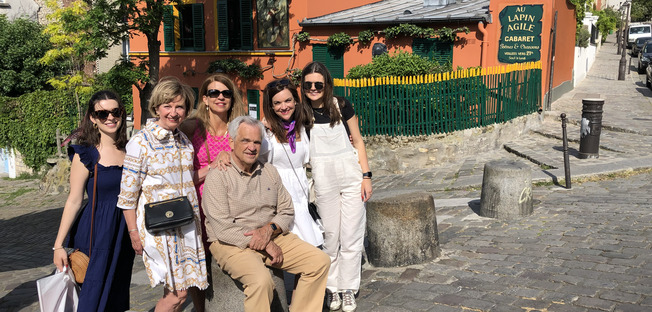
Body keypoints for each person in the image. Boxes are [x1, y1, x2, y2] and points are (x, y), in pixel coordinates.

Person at [202, 116, 330, 312]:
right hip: (231, 243)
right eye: (245, 140)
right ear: (231, 142)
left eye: (256, 142)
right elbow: (222, 227)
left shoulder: (269, 171)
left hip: (271, 235)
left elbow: (287, 210)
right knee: (261, 282)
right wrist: (264, 242)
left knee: (319, 262)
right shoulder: (219, 176)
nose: (251, 147)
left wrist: (269, 230)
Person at [117, 77, 209, 312]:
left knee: (179, 290)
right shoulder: (141, 142)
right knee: (178, 294)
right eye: (167, 105)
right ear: (156, 107)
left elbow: (186, 180)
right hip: (159, 227)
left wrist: (214, 167)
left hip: (186, 224)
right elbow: (127, 195)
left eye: (179, 106)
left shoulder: (184, 141)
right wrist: (133, 233)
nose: (174, 112)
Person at [52, 90, 135, 311]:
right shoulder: (86, 154)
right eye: (102, 113)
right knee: (92, 294)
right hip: (96, 230)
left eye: (115, 112)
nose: (110, 117)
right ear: (92, 118)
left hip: (123, 232)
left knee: (116, 294)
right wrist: (58, 245)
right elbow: (74, 200)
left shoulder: (131, 151)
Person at [300, 61, 373, 312]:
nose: (313, 88)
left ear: (327, 84)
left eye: (318, 84)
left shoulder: (341, 106)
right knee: (330, 237)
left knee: (352, 235)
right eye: (308, 84)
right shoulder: (301, 113)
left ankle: (348, 288)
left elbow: (358, 140)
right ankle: (331, 288)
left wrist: (366, 176)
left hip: (351, 176)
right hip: (323, 180)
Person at [179, 73, 246, 311]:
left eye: (226, 93)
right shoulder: (189, 128)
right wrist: (213, 165)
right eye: (214, 93)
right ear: (205, 98)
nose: (220, 97)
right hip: (197, 206)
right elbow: (179, 177)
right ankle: (199, 309)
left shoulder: (240, 127)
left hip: (232, 206)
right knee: (198, 265)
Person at [260, 78, 323, 247]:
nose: (284, 106)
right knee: (298, 239)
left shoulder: (303, 127)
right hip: (280, 190)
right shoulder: (266, 132)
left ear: (295, 101)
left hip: (301, 188)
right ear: (271, 107)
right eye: (277, 103)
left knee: (308, 239)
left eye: (288, 100)